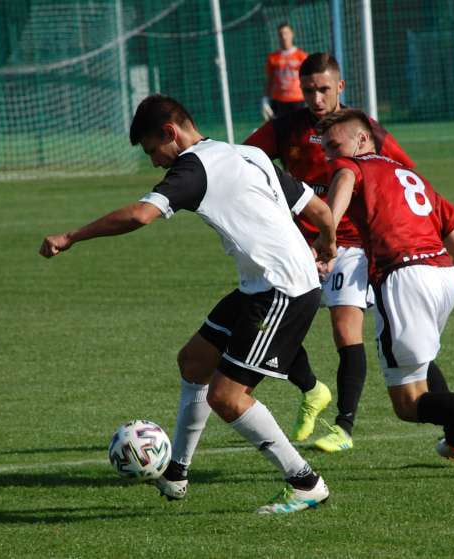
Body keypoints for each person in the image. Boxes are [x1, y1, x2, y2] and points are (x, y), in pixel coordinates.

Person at [39, 94, 336, 513]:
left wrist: (70, 237)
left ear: (169, 133)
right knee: (194, 360)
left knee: (228, 397)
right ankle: (176, 473)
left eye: (152, 151)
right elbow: (320, 210)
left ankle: (305, 482)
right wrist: (328, 243)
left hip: (281, 289)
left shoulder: (195, 166)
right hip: (263, 284)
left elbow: (140, 215)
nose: (155, 162)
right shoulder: (247, 153)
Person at [247, 52, 454, 459]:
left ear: (340, 87)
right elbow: (245, 161)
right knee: (266, 319)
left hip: (350, 244)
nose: (316, 98)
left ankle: (345, 425)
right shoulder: (286, 128)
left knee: (346, 328)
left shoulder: (360, 132)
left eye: (323, 89)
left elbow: (405, 171)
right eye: (309, 90)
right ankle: (313, 390)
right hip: (302, 246)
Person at [317, 108, 454, 480]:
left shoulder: (352, 167)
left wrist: (327, 239)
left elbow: (337, 195)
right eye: (325, 148)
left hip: (404, 277)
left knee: (408, 403)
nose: (330, 155)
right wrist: (441, 303)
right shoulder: (412, 177)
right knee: (421, 366)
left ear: (362, 139)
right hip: (443, 277)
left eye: (335, 145)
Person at [261, 23, 308, 120]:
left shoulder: (302, 56)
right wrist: (265, 99)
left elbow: (308, 79)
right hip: (279, 101)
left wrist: (309, 97)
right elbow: (269, 80)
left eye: (286, 33)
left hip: (298, 100)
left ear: (292, 34)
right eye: (281, 34)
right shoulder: (273, 58)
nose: (284, 36)